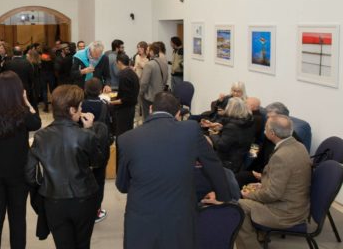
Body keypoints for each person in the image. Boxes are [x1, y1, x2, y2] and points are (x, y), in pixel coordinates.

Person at [116, 92, 230, 249]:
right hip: (179, 217)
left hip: (141, 219)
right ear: (177, 114)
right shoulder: (191, 130)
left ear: (150, 109)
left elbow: (122, 186)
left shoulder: (126, 139)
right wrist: (224, 196)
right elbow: (213, 164)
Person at [26, 85, 106, 249]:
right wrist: (90, 130)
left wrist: (45, 186)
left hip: (54, 201)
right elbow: (97, 162)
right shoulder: (85, 135)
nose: (82, 109)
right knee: (83, 244)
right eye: (80, 106)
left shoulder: (40, 137)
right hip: (84, 199)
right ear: (72, 110)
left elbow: (29, 173)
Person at [0, 71, 41, 249]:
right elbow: (37, 123)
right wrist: (26, 102)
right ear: (19, 90)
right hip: (18, 174)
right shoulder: (22, 112)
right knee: (18, 218)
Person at [234, 110, 311, 249]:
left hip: (285, 213)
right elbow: (285, 182)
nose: (264, 130)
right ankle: (260, 235)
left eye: (266, 128)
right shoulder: (300, 146)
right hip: (298, 206)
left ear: (272, 133)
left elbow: (272, 194)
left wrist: (249, 194)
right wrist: (262, 185)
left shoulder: (281, 156)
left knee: (239, 205)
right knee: (249, 196)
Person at [81, 78, 112, 223]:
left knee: (81, 178)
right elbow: (112, 127)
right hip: (100, 149)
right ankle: (96, 211)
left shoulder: (80, 106)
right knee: (99, 181)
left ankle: (82, 208)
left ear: (85, 90)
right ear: (100, 90)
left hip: (82, 148)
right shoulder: (105, 106)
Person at [206, 97, 255, 172]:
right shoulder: (249, 121)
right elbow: (236, 136)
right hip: (240, 159)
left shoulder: (232, 127)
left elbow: (220, 145)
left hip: (228, 162)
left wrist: (212, 134)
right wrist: (222, 128)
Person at [110, 53, 140, 137]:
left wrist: (111, 102)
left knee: (121, 134)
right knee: (128, 133)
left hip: (124, 110)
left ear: (119, 62)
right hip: (131, 108)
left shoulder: (123, 75)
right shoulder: (132, 73)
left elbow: (125, 99)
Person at [138, 42, 168, 120]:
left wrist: (141, 92)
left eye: (148, 50)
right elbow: (166, 78)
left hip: (149, 97)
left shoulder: (149, 64)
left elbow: (144, 82)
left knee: (147, 117)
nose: (147, 52)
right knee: (157, 117)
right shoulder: (164, 63)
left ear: (151, 52)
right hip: (160, 95)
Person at [132, 41, 149, 124]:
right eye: (138, 47)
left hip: (144, 82)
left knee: (144, 102)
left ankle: (144, 120)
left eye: (141, 48)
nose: (139, 49)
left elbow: (146, 68)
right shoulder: (137, 57)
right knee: (137, 102)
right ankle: (136, 118)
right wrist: (134, 68)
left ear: (145, 49)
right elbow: (136, 66)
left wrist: (141, 65)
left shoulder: (148, 58)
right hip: (136, 80)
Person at [39, 46, 56, 113]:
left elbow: (39, 66)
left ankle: (46, 107)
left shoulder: (41, 57)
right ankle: (54, 106)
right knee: (53, 91)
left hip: (43, 75)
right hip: (51, 74)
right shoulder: (52, 56)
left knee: (44, 91)